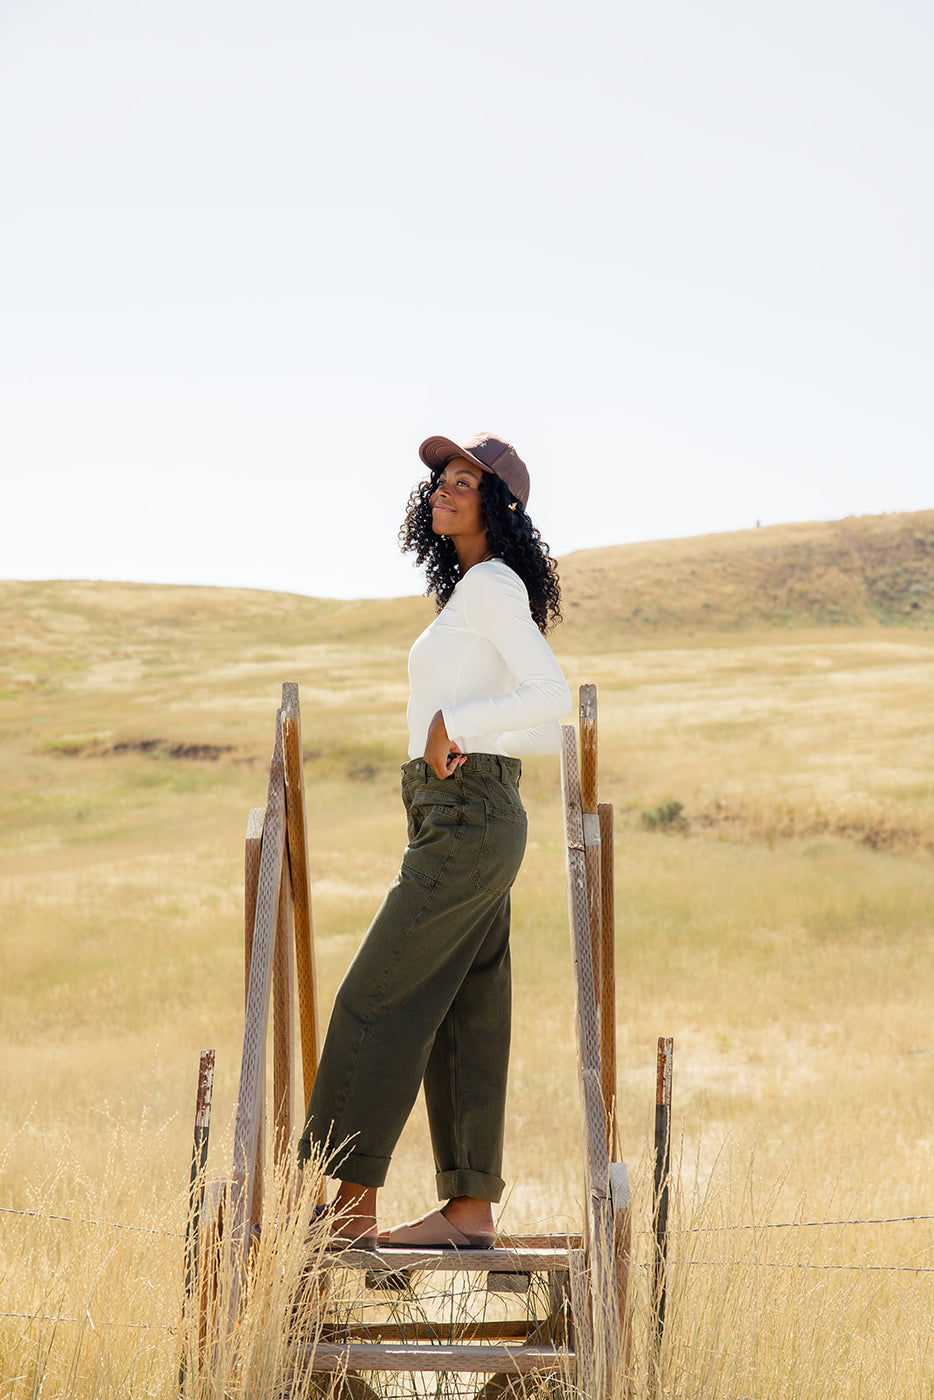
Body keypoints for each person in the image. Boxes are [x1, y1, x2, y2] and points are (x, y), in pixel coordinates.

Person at [297, 431, 571, 1249]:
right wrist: (467, 734)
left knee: (374, 1000)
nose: (442, 490)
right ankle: (469, 1211)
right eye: (440, 480)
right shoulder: (477, 592)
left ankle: (345, 1211)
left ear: (500, 505)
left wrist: (459, 725)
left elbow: (551, 700)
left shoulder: (491, 585)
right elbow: (546, 734)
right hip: (467, 816)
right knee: (464, 1016)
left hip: (469, 818)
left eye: (462, 481)